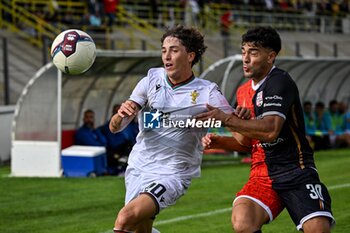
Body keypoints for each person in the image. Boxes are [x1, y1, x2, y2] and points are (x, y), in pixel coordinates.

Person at [197, 26, 335, 233]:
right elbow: (247, 142)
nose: (245, 58)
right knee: (243, 221)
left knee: (318, 230)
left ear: (271, 56)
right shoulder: (243, 91)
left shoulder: (279, 81)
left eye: (253, 52)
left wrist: (226, 119)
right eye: (243, 51)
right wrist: (221, 142)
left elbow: (271, 130)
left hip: (296, 170)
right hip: (261, 175)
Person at [108, 25, 234, 233]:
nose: (167, 55)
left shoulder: (207, 92)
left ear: (190, 56)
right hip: (139, 167)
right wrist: (120, 114)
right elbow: (116, 127)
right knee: (140, 229)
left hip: (173, 172)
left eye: (174, 50)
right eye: (164, 50)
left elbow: (234, 123)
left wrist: (232, 123)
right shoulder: (150, 80)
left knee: (125, 219)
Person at [99, 104, 138, 175]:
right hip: (114, 150)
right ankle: (121, 168)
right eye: (118, 112)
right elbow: (108, 142)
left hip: (128, 148)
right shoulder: (107, 127)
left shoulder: (129, 125)